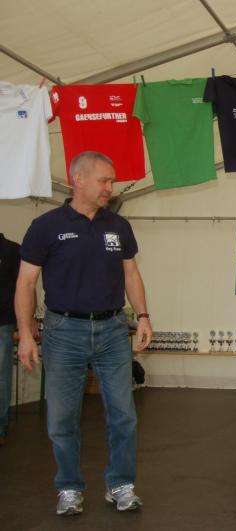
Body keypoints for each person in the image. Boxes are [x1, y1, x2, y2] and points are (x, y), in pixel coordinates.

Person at [15, 151, 153, 515]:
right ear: (78, 179)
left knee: (124, 414)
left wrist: (143, 316)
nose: (110, 187)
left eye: (112, 181)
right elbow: (26, 283)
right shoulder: (45, 226)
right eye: (104, 180)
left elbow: (131, 273)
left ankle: (120, 484)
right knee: (62, 418)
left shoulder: (118, 226)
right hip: (63, 331)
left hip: (112, 330)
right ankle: (69, 487)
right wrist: (26, 334)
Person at [1, 233, 26, 446]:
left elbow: (23, 286)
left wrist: (23, 324)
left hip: (3, 322)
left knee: (1, 377)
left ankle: (0, 427)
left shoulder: (11, 250)